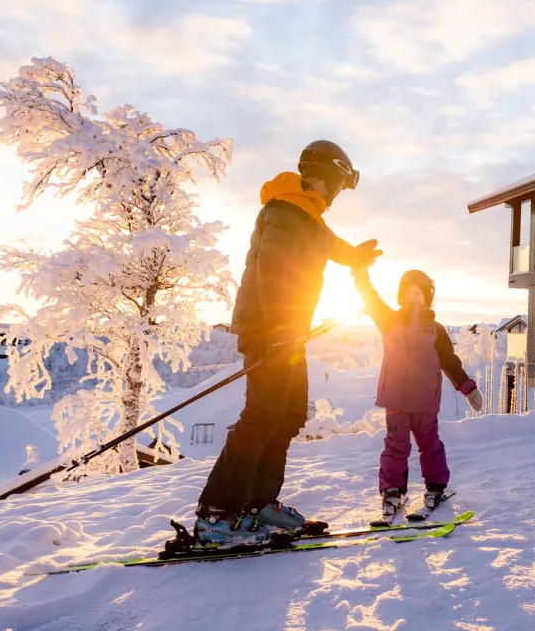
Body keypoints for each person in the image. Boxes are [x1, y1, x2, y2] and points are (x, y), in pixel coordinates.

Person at [194, 141, 381, 545]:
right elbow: (273, 275)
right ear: (328, 176)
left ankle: (259, 502)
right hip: (271, 334)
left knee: (289, 414)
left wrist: (356, 256)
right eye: (339, 186)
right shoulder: (284, 210)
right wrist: (278, 332)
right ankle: (216, 513)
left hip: (288, 335)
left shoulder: (306, 216)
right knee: (261, 417)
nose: (336, 197)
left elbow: (330, 246)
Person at [351, 267, 483, 517]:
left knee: (430, 445)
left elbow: (450, 362)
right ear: (402, 295)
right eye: (409, 292)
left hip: (425, 400)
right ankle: (392, 491)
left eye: (419, 292)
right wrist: (360, 273)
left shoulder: (435, 329)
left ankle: (435, 487)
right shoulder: (389, 319)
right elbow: (371, 298)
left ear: (427, 297)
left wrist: (468, 388)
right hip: (396, 400)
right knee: (395, 447)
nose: (413, 295)